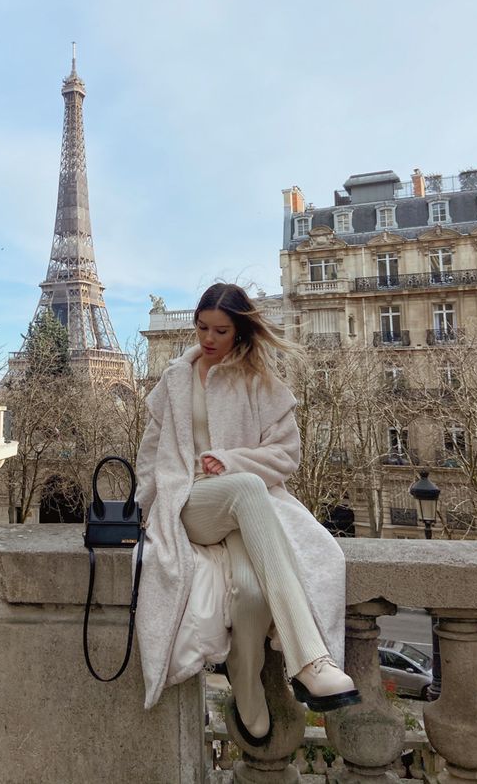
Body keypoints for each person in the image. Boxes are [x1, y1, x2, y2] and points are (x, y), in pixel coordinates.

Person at [134, 282, 359, 748]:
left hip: (244, 507)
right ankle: (310, 659)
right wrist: (148, 508)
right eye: (202, 329)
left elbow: (287, 455)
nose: (208, 339)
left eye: (220, 330)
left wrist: (234, 460)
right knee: (247, 489)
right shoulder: (174, 380)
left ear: (240, 331)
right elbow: (150, 453)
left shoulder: (261, 382)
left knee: (253, 591)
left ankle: (246, 682)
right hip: (190, 502)